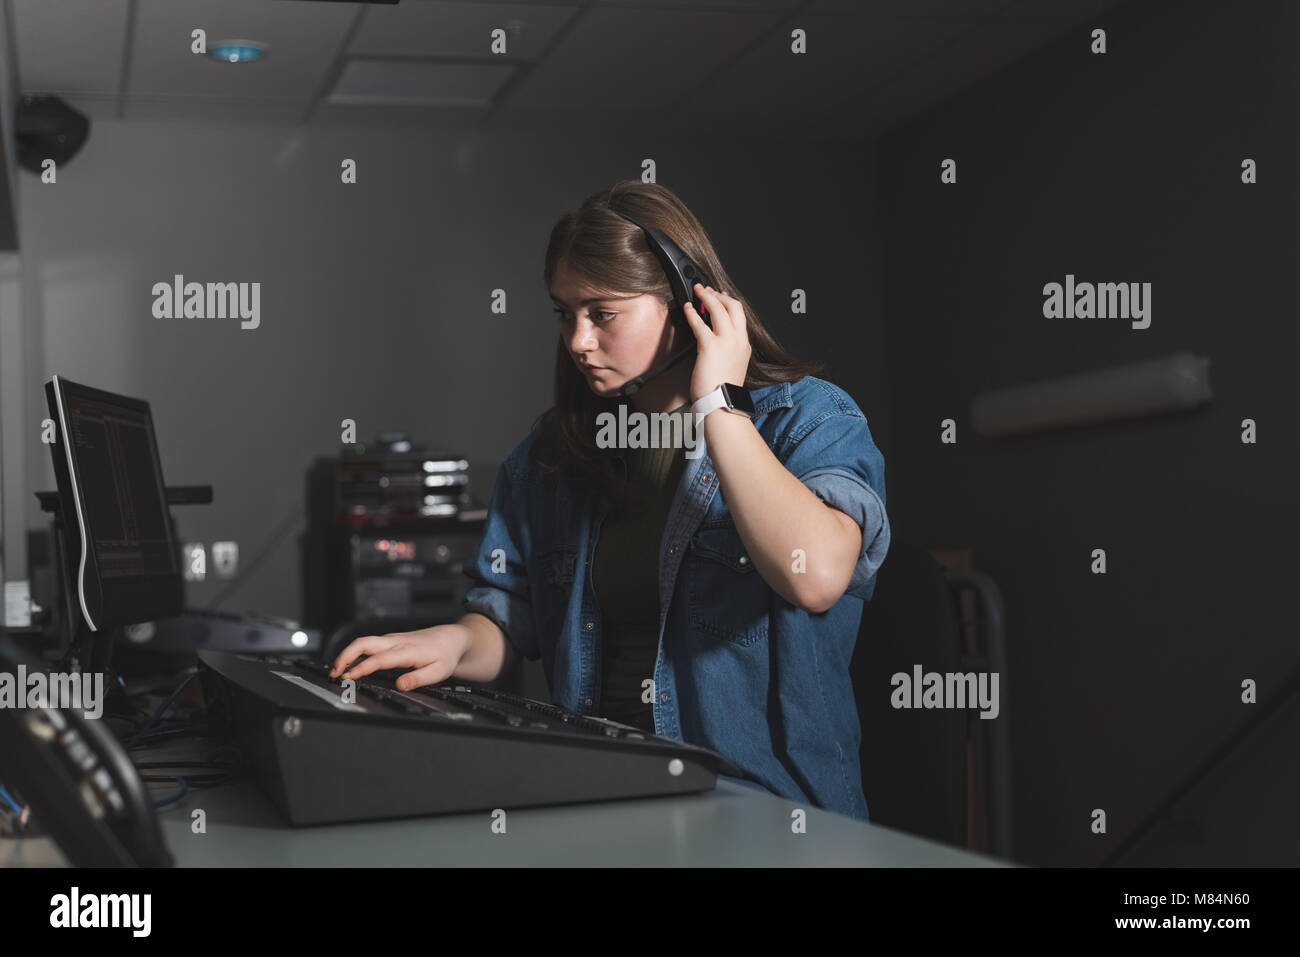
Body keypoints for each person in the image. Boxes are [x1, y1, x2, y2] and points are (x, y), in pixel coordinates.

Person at [331, 180, 890, 821]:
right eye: (564, 314)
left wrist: (721, 407)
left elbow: (815, 576)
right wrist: (454, 643)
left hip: (767, 815)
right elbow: (510, 619)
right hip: (602, 795)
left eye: (602, 314)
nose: (577, 341)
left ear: (687, 304)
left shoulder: (811, 419)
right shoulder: (552, 456)